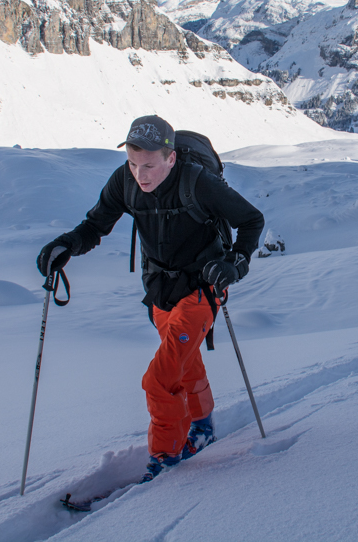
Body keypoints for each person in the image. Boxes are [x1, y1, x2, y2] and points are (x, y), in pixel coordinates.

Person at [36, 115, 264, 481]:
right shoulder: (124, 182)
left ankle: (164, 456)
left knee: (159, 379)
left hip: (202, 287)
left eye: (149, 165)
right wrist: (66, 246)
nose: (140, 174)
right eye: (132, 163)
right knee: (184, 365)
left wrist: (236, 262)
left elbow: (251, 220)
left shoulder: (198, 183)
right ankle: (203, 428)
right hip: (159, 289)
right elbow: (95, 225)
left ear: (170, 158)